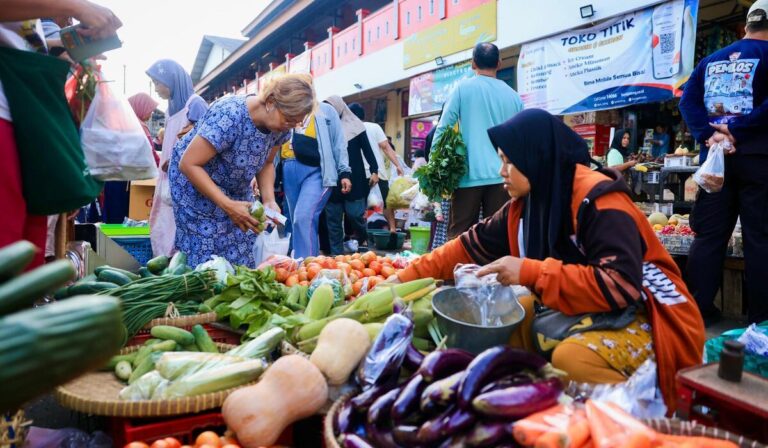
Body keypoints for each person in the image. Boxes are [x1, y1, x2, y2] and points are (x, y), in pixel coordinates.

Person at [396, 109, 705, 410]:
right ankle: (528, 406)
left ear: (535, 156)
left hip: (652, 315)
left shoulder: (599, 199)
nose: (501, 171)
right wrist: (399, 282)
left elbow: (620, 284)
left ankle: (632, 418)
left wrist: (531, 272)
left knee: (572, 360)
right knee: (511, 317)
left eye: (508, 161)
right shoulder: (525, 206)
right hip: (596, 307)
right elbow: (465, 246)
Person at [0, 0, 121, 268]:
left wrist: (66, 44)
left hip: (25, 113)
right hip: (10, 113)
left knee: (25, 263)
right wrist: (76, 7)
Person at [679, 0, 768, 325]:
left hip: (715, 165)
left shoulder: (710, 60)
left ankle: (696, 313)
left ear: (747, 24)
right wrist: (738, 129)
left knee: (709, 237)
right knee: (760, 238)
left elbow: (687, 101)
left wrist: (709, 135)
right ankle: (762, 321)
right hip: (758, 161)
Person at [168, 74, 314, 267]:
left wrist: (269, 199)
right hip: (194, 183)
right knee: (207, 254)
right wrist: (227, 205)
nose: (292, 126)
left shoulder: (281, 129)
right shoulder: (230, 114)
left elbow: (267, 163)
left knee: (242, 242)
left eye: (297, 122)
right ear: (271, 102)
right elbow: (189, 164)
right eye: (289, 119)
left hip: (233, 184)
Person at [431, 42, 524, 239]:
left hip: (467, 175)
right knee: (498, 236)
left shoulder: (462, 89)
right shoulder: (514, 96)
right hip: (503, 178)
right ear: (499, 63)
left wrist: (434, 166)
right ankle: (492, 271)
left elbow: (443, 127)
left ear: (473, 63)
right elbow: (521, 137)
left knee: (460, 237)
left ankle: (458, 271)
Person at [146, 59, 208, 257]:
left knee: (181, 229)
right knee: (162, 223)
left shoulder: (195, 104)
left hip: (187, 178)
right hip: (167, 177)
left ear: (171, 80)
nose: (155, 88)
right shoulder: (169, 110)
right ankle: (164, 266)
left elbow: (206, 140)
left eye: (157, 82)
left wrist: (176, 160)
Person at [280, 98, 351, 258]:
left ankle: (307, 265)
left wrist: (344, 171)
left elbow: (338, 142)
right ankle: (300, 264)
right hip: (288, 169)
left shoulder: (325, 110)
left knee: (303, 217)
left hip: (317, 171)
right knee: (294, 222)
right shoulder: (286, 108)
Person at [323, 95, 379, 255]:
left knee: (355, 214)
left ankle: (363, 238)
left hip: (355, 178)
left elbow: (367, 150)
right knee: (333, 219)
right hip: (332, 179)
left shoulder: (356, 125)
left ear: (340, 107)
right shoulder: (325, 127)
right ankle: (336, 255)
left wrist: (375, 170)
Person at [349, 103, 404, 233]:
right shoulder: (374, 127)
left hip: (359, 174)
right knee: (386, 203)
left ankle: (361, 236)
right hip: (378, 173)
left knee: (360, 205)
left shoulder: (349, 129)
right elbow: (386, 147)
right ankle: (392, 229)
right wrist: (398, 165)